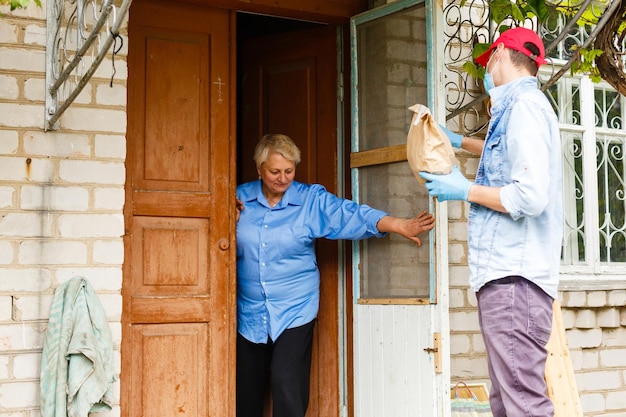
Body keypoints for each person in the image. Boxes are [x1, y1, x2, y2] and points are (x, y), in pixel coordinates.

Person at [236, 133, 434, 417]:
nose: (283, 178)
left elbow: (348, 214)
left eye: (289, 171)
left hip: (294, 307)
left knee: (285, 381)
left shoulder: (309, 200)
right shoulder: (238, 198)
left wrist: (398, 224)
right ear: (259, 170)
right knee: (246, 389)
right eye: (274, 171)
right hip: (250, 310)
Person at [419, 27, 563, 417]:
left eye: (486, 64)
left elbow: (529, 196)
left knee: (522, 405)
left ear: (499, 53)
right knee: (507, 401)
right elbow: (512, 153)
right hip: (511, 280)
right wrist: (459, 142)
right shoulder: (525, 108)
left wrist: (463, 189)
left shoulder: (524, 107)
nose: (486, 75)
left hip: (514, 280)